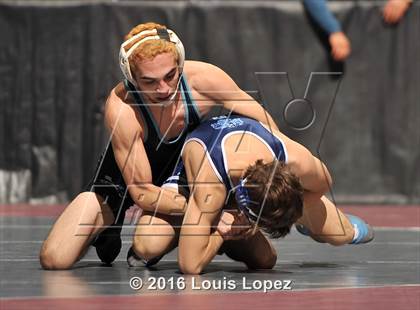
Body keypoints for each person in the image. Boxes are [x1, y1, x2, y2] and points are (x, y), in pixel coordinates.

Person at [39, 22, 280, 270]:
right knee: (55, 257)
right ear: (132, 77)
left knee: (264, 260)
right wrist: (212, 214)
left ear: (180, 64)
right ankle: (108, 230)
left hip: (186, 181)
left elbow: (269, 131)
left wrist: (260, 191)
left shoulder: (204, 80)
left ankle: (210, 237)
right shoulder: (123, 106)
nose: (163, 89)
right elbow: (142, 192)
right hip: (126, 183)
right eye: (149, 82)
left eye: (170, 76)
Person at [130, 115, 374, 274]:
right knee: (149, 244)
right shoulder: (209, 188)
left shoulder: (296, 159)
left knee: (339, 235)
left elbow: (323, 184)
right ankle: (192, 232)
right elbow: (189, 266)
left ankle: (322, 227)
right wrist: (220, 232)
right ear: (248, 209)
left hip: (244, 190)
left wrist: (300, 213)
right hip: (192, 185)